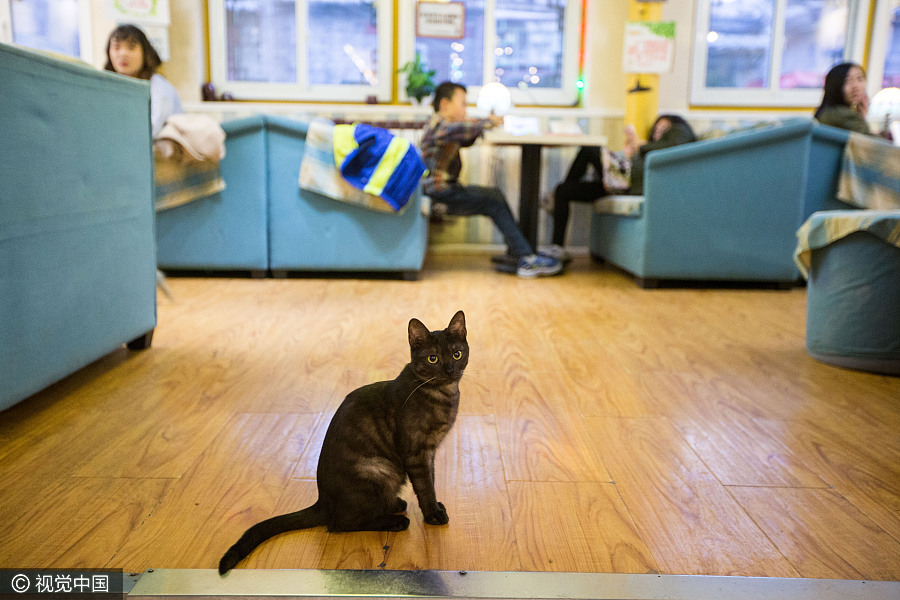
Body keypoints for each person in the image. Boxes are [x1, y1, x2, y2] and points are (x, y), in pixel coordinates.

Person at [420, 81, 563, 278]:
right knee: (493, 201)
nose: (465, 109)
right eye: (462, 104)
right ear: (444, 104)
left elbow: (465, 135)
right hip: (439, 193)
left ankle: (518, 252)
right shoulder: (440, 125)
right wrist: (490, 121)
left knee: (494, 196)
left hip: (440, 190)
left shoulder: (442, 126)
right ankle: (526, 258)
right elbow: (467, 127)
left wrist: (480, 125)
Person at [545, 115, 696, 260]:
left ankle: (553, 202)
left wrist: (639, 144)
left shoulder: (681, 132)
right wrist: (632, 151)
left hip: (629, 183)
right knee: (563, 190)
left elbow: (676, 146)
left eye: (663, 129)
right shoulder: (651, 151)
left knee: (590, 149)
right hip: (622, 182)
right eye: (656, 129)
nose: (658, 132)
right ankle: (557, 249)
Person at [104, 24, 183, 138]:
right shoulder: (109, 87)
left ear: (145, 53)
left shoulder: (159, 87)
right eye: (116, 47)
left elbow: (152, 129)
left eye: (131, 47)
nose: (123, 54)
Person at [814, 62, 871, 135]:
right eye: (847, 81)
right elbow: (869, 140)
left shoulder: (827, 111)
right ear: (835, 86)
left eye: (860, 79)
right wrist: (862, 117)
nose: (856, 86)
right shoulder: (846, 116)